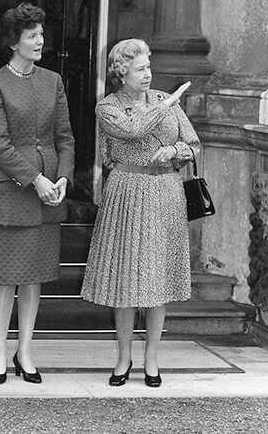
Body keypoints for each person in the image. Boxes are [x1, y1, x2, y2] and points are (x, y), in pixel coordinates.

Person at [81, 38, 200, 387]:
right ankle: (123, 358)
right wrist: (172, 102)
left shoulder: (164, 100)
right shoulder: (108, 107)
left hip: (165, 192)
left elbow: (193, 144)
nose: (148, 74)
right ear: (121, 72)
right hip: (128, 193)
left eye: (149, 67)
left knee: (158, 278)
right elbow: (134, 129)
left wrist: (176, 150)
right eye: (140, 68)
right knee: (125, 279)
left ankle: (151, 358)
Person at [0, 2, 74, 385]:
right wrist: (36, 179)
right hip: (12, 190)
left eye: (41, 34)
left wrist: (63, 178)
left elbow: (65, 137)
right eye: (32, 35)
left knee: (33, 277)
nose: (40, 40)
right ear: (13, 41)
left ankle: (26, 350)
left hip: (51, 191)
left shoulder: (53, 81)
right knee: (6, 277)